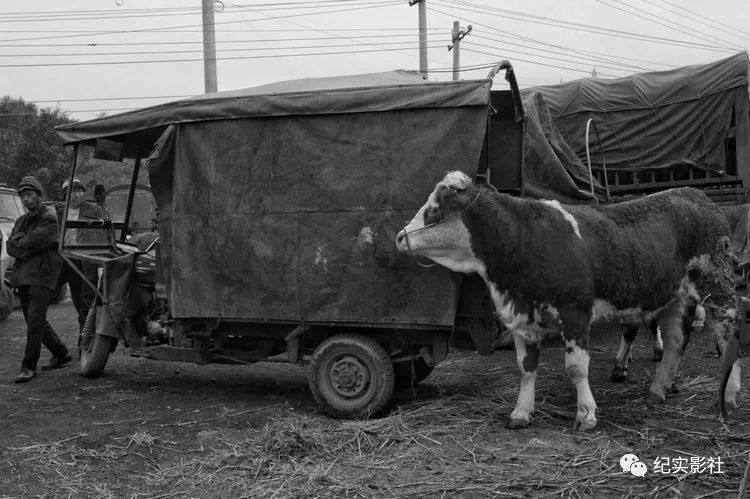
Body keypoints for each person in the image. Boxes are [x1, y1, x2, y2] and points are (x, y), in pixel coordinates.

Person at [8, 176, 71, 383]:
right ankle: (61, 353)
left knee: (35, 321)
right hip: (24, 276)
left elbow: (33, 241)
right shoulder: (20, 220)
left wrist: (22, 244)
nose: (26, 200)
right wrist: (24, 246)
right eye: (23, 196)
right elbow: (11, 246)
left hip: (43, 275)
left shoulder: (49, 218)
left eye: (30, 195)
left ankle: (28, 366)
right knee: (34, 320)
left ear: (38, 195)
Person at [56, 178, 106, 340]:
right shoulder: (61, 212)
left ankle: (86, 339)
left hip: (87, 258)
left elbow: (101, 237)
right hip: (69, 258)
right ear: (65, 195)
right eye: (72, 192)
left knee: (86, 298)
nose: (77, 195)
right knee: (77, 298)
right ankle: (84, 330)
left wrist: (99, 264)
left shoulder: (94, 210)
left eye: (80, 191)